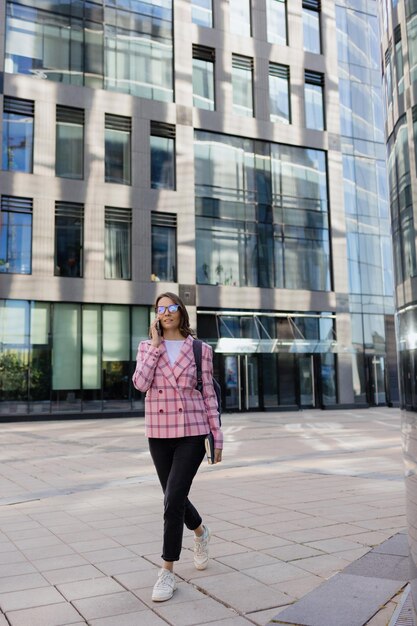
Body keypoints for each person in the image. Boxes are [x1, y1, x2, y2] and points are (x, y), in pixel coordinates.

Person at [132, 292, 223, 602]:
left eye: (172, 307)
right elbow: (140, 384)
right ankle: (201, 533)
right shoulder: (147, 347)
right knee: (174, 496)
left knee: (172, 501)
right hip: (158, 432)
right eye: (161, 309)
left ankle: (167, 571)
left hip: (191, 431)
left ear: (181, 312)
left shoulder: (201, 350)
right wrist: (156, 347)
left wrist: (217, 436)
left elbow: (209, 395)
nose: (166, 313)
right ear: (156, 316)